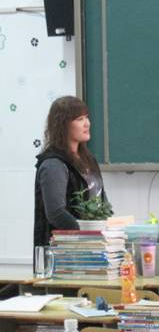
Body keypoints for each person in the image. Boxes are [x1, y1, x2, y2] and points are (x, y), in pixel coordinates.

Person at [34, 96, 111, 248]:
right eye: (79, 119)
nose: (87, 123)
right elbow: (56, 213)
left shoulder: (88, 159)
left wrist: (110, 233)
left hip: (94, 246)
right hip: (65, 252)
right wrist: (87, 235)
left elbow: (102, 202)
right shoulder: (53, 164)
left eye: (86, 117)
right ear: (63, 125)